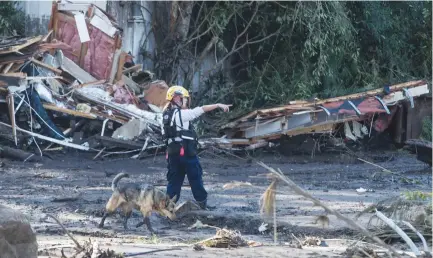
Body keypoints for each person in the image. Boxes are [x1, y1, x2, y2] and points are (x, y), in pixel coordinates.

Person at [162, 85, 231, 210]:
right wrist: (218, 105)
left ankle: (167, 207)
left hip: (173, 155)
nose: (187, 101)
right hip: (186, 154)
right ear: (176, 99)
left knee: (174, 181)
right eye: (184, 99)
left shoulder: (165, 115)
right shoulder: (181, 115)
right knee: (196, 178)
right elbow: (200, 110)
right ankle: (202, 204)